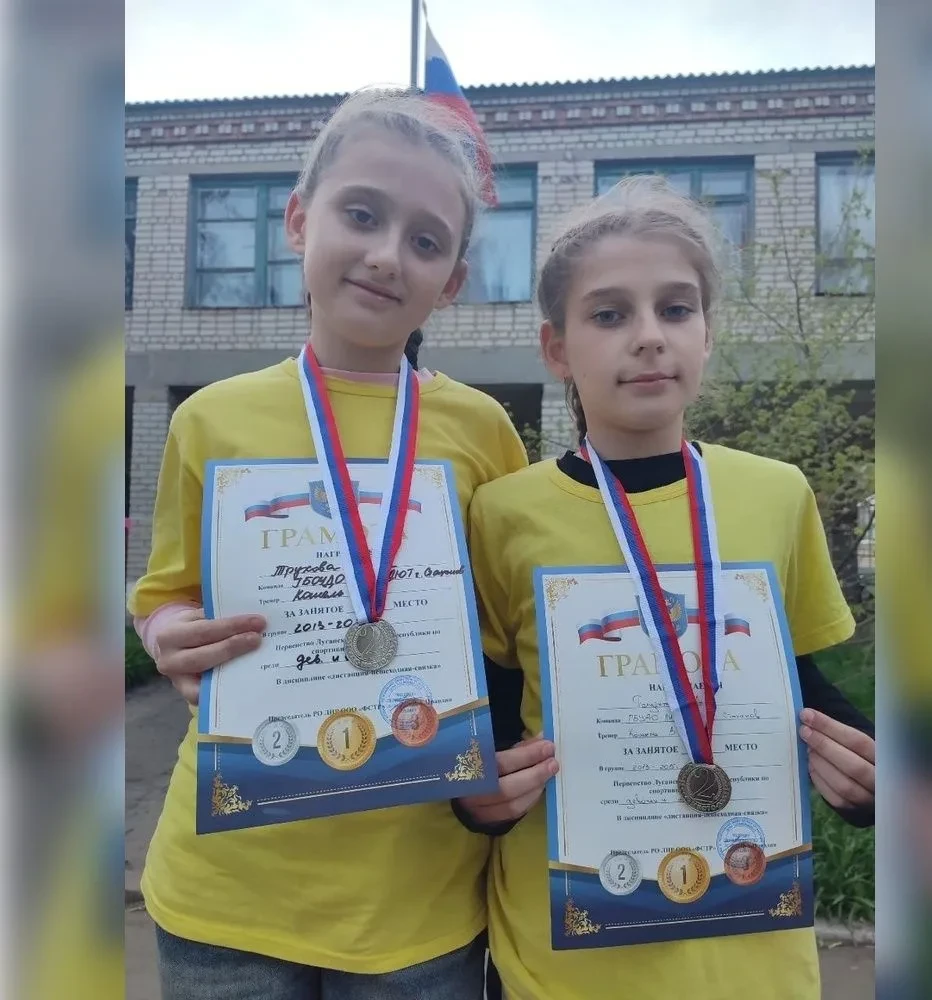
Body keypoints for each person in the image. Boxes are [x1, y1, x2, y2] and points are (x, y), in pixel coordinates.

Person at [127, 87, 528, 1000]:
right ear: (299, 221)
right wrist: (170, 635)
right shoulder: (210, 420)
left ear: (451, 281)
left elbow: (509, 636)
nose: (387, 255)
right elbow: (164, 592)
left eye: (426, 240)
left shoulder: (482, 432)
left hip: (415, 900)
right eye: (362, 215)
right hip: (226, 888)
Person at [456, 175, 876, 1000]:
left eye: (676, 309)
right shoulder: (503, 513)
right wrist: (475, 798)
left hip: (749, 962)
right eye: (610, 315)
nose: (649, 337)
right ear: (557, 349)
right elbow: (498, 711)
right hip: (562, 966)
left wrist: (868, 781)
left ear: (707, 333)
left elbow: (798, 684)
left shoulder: (775, 493)